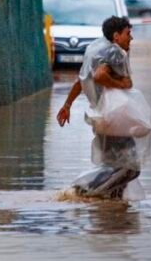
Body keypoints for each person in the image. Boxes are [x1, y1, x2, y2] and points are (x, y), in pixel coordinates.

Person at [57, 16, 142, 198]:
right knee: (131, 168)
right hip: (114, 119)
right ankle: (83, 190)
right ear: (116, 36)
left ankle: (111, 213)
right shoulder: (114, 53)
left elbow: (81, 81)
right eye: (128, 34)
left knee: (114, 166)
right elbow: (99, 76)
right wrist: (122, 85)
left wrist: (67, 105)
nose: (131, 38)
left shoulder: (95, 49)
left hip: (101, 118)